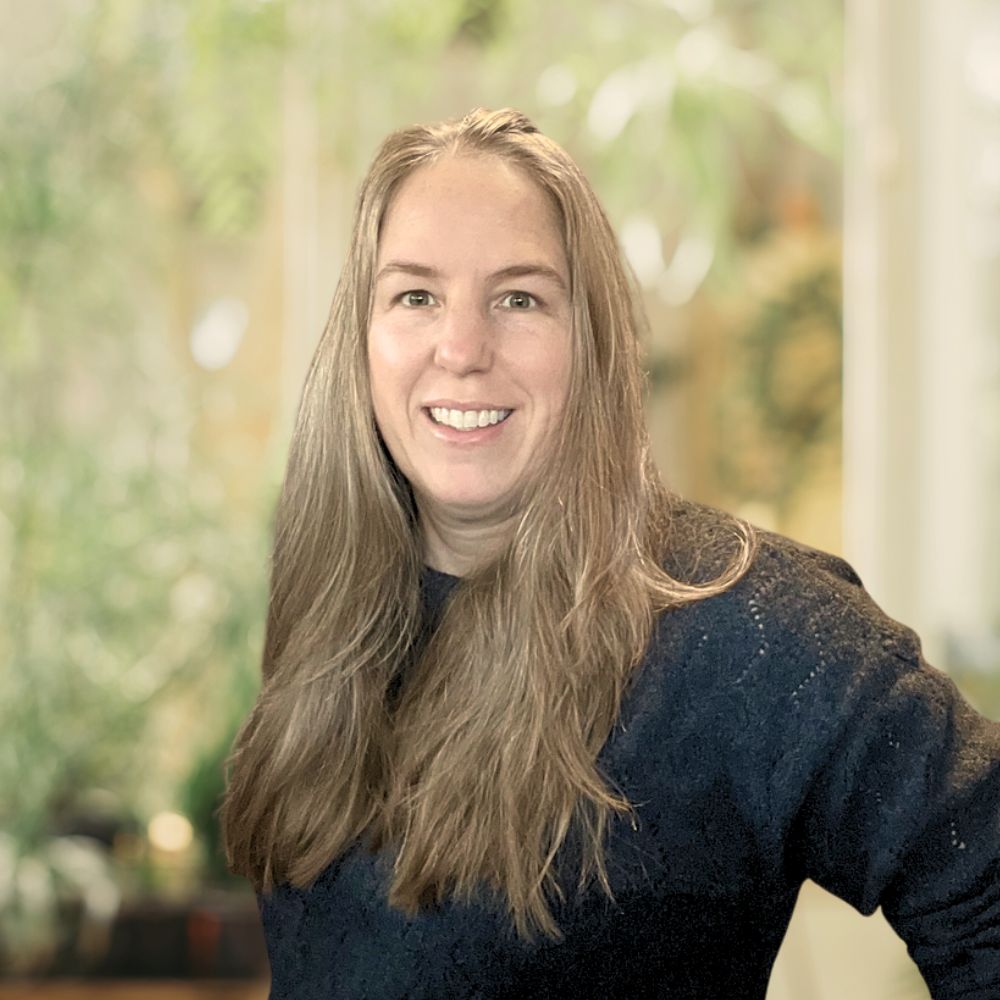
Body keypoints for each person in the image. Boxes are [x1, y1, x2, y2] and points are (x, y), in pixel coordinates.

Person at [219, 108, 1000, 999]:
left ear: (592, 341)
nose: (463, 349)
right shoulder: (339, 611)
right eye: (416, 296)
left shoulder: (740, 623)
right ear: (358, 343)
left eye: (520, 298)